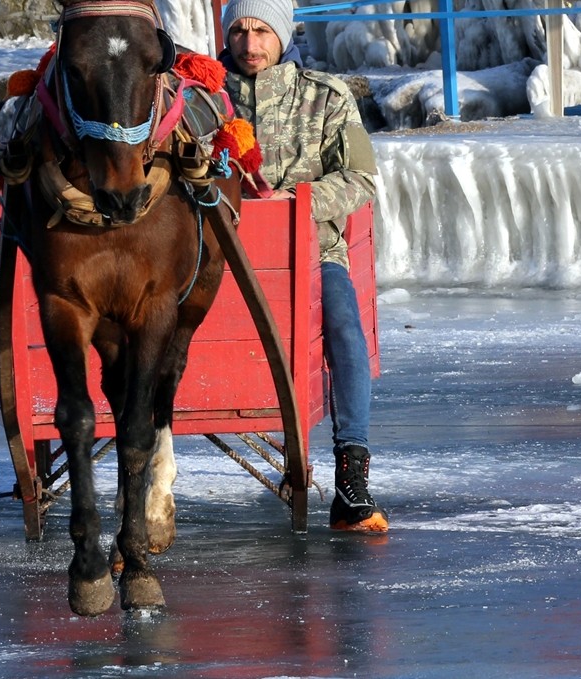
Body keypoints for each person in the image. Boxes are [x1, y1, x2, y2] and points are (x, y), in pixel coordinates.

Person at [218, 0, 388, 533]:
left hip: (311, 251)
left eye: (262, 30)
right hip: (215, 254)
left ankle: (351, 475)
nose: (250, 43)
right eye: (241, 31)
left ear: (283, 34)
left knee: (343, 329)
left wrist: (293, 206)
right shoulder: (200, 99)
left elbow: (359, 178)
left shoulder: (324, 98)